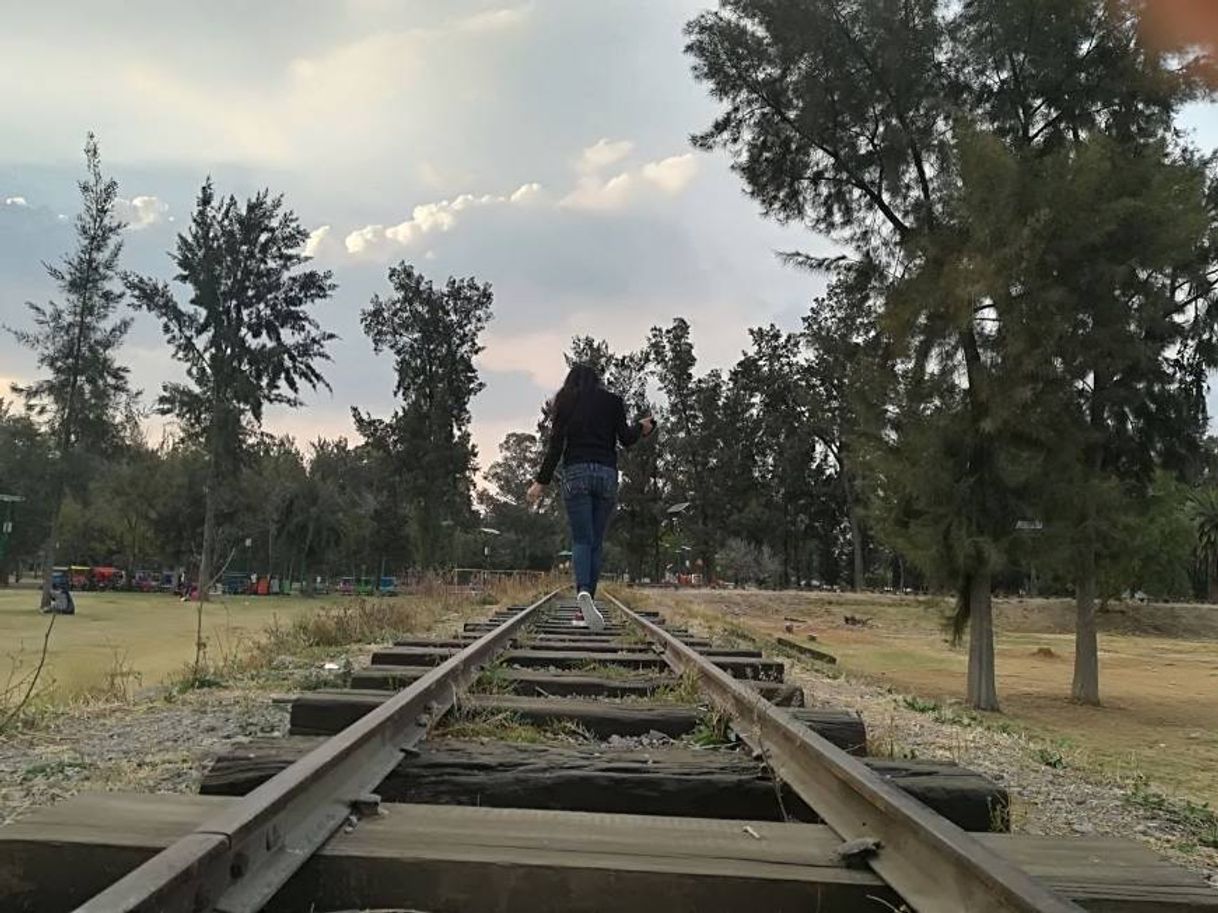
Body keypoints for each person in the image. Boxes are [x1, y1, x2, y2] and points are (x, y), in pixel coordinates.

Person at [527, 364, 655, 628]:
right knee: (596, 542)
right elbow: (626, 439)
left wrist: (541, 482)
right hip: (606, 475)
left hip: (576, 474)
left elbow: (555, 447)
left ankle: (583, 592)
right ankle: (587, 601)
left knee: (582, 539)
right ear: (597, 381)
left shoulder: (565, 401)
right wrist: (642, 428)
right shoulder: (613, 402)